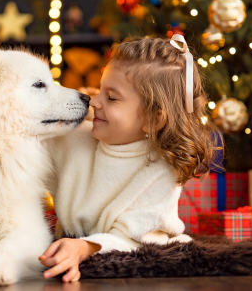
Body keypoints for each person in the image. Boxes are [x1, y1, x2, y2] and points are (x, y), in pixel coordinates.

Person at [40, 35, 221, 282]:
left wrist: (84, 248)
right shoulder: (74, 138)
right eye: (100, 89)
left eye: (112, 97)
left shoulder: (160, 169)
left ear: (154, 119)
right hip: (72, 244)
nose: (94, 101)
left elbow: (133, 239)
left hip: (135, 262)